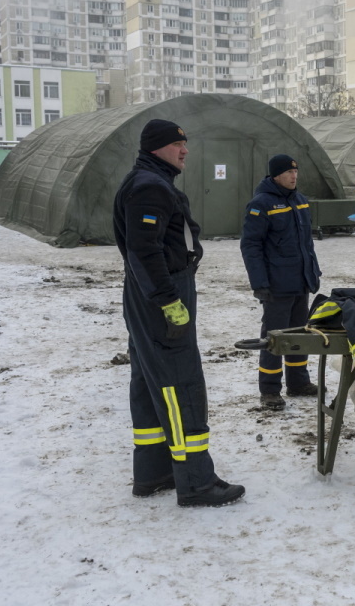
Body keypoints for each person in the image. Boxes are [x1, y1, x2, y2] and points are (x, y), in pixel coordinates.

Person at [113, 119, 244, 508]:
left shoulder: (149, 181)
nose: (185, 150)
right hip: (162, 294)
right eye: (177, 144)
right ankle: (196, 481)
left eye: (185, 143)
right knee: (179, 383)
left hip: (149, 293)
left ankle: (153, 471)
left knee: (149, 380)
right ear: (156, 148)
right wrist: (168, 300)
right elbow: (144, 250)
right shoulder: (149, 187)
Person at [240, 154, 323, 411]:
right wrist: (259, 283)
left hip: (300, 281)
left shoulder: (300, 201)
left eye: (295, 172)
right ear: (276, 175)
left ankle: (298, 382)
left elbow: (306, 244)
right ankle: (270, 390)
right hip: (276, 285)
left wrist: (313, 273)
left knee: (299, 334)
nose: (293, 176)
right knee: (274, 338)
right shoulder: (261, 204)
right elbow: (251, 246)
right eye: (288, 172)